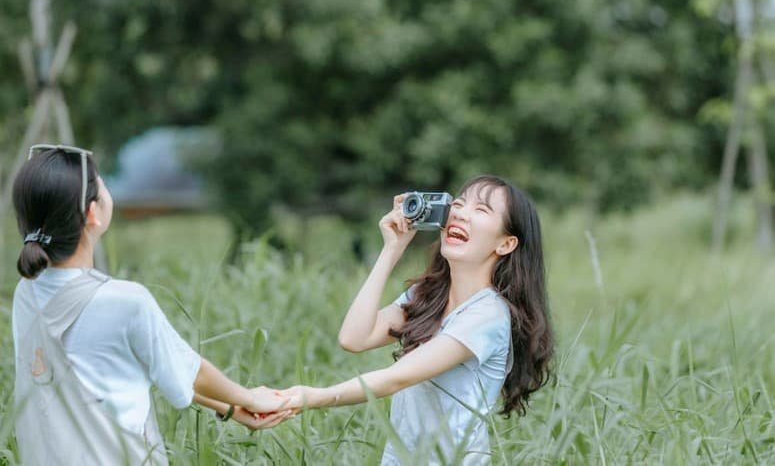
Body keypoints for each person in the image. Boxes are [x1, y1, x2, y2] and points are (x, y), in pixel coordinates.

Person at [10, 144, 292, 466]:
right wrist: (250, 397)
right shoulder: (124, 301)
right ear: (92, 213)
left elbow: (160, 368)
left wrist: (229, 407)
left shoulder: (26, 295)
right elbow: (190, 372)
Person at [282, 175, 554, 465]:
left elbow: (396, 377)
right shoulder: (427, 296)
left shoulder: (489, 315)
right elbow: (354, 338)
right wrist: (392, 249)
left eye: (481, 210)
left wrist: (309, 397)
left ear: (506, 243)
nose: (460, 213)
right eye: (459, 203)